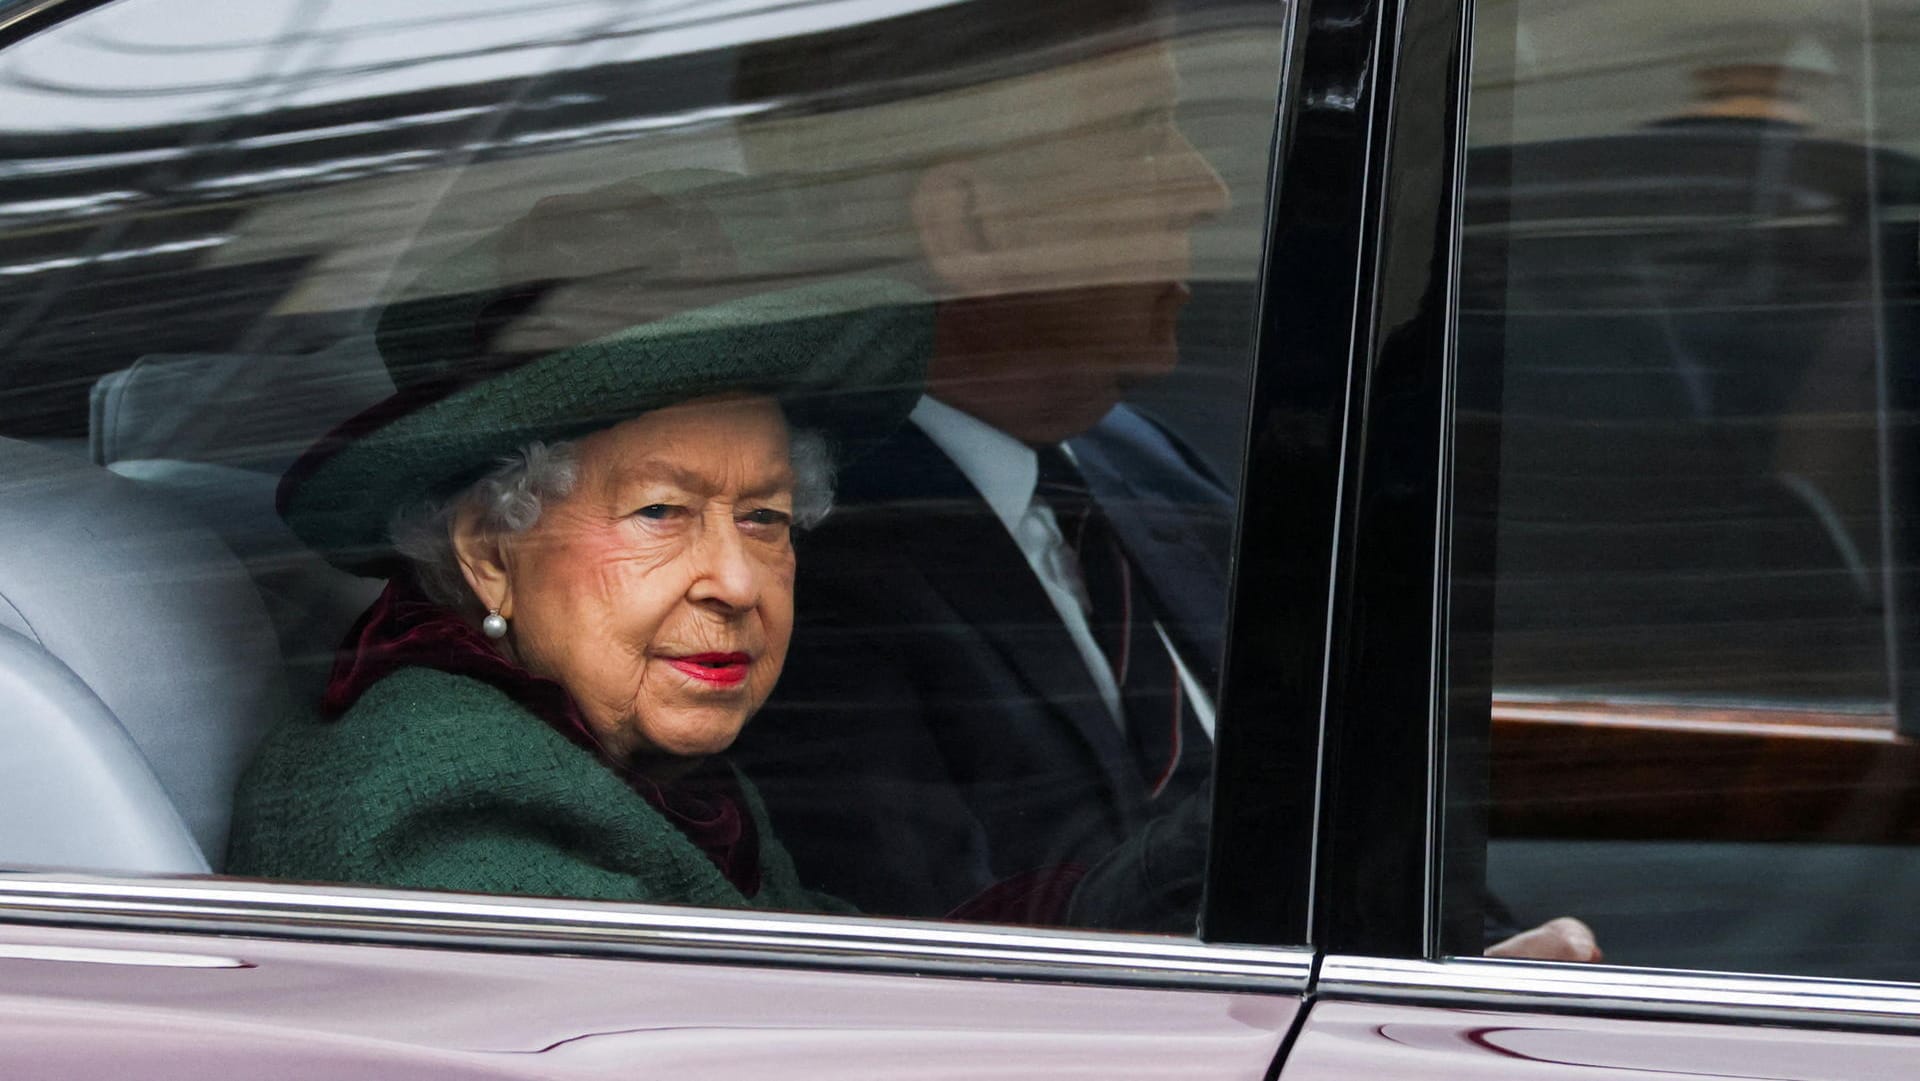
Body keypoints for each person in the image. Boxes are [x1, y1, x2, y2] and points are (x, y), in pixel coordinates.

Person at [727, 0, 1601, 959]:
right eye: (1145, 138)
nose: (1208, 189)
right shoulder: (801, 565)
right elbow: (965, 970)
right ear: (974, 227)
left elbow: (1360, 830)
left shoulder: (1132, 458)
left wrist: (1495, 962)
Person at [227, 177, 930, 908]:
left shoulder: (629, 765)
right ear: (493, 551)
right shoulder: (449, 799)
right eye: (661, 511)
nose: (737, 582)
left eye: (764, 516)